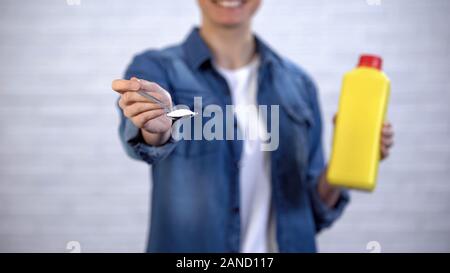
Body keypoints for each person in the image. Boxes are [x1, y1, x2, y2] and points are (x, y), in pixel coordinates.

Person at [111, 0, 394, 253]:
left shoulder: (298, 84)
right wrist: (156, 128)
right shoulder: (157, 70)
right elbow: (143, 142)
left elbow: (309, 212)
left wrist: (348, 161)